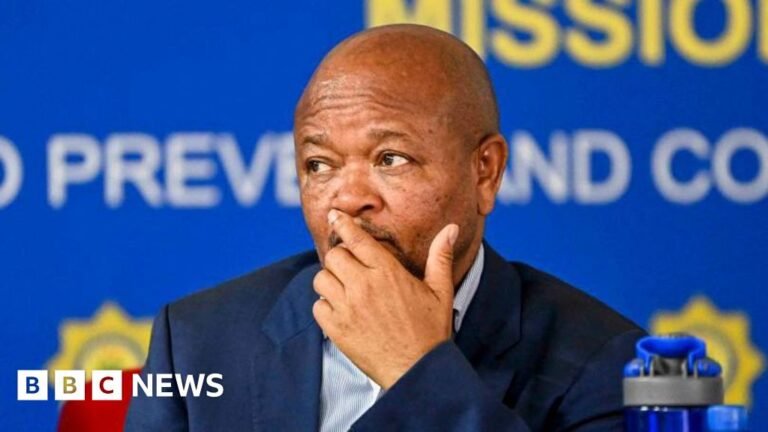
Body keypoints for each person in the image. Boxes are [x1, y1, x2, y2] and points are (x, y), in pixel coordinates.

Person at [125, 24, 645, 431]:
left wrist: (418, 370)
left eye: (391, 158)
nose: (348, 198)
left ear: (484, 171)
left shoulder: (605, 363)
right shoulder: (197, 340)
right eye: (319, 165)